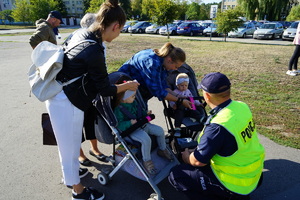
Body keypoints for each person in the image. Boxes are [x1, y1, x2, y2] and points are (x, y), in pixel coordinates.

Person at [45, 0, 139, 199]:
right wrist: (128, 86)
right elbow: (105, 89)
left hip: (62, 95)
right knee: (69, 146)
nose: (119, 34)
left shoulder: (82, 33)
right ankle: (78, 192)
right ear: (115, 26)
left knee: (66, 144)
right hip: (66, 101)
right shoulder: (95, 49)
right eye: (120, 30)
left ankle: (71, 174)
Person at [168, 72, 265, 200]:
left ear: (207, 95)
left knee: (176, 175)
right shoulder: (242, 107)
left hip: (235, 184)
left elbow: (198, 161)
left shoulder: (217, 126)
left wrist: (187, 157)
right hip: (255, 174)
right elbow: (228, 141)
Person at [118, 42, 193, 110]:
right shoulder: (152, 63)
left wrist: (177, 95)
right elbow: (158, 91)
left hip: (139, 92)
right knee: (134, 118)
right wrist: (180, 100)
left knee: (143, 115)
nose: (175, 69)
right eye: (176, 66)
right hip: (126, 94)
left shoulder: (163, 62)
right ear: (169, 60)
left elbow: (163, 85)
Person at [114, 89, 173, 175]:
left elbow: (140, 113)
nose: (135, 97)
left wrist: (146, 114)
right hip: (132, 130)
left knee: (160, 131)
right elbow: (119, 125)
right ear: (124, 98)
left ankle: (162, 149)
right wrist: (129, 123)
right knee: (146, 140)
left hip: (143, 125)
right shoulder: (118, 109)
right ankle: (147, 161)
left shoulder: (134, 102)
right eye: (132, 96)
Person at [76, 12, 108, 167]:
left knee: (90, 121)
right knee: (77, 125)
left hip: (91, 91)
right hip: (77, 93)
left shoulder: (99, 42)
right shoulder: (80, 39)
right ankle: (79, 154)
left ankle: (94, 149)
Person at [169, 73, 204, 137]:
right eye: (182, 85)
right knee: (178, 115)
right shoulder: (175, 92)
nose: (184, 87)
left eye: (186, 85)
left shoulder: (188, 91)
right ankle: (177, 129)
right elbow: (171, 100)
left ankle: (201, 118)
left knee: (194, 109)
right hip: (180, 109)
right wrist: (173, 105)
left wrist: (199, 103)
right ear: (177, 85)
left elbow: (193, 99)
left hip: (190, 107)